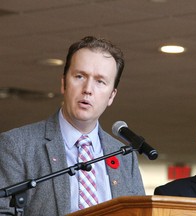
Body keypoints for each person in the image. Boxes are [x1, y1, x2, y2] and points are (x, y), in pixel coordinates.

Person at [0, 36, 145, 215]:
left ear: (112, 96)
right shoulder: (17, 145)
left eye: (100, 81)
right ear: (64, 83)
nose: (88, 89)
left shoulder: (125, 157)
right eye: (79, 76)